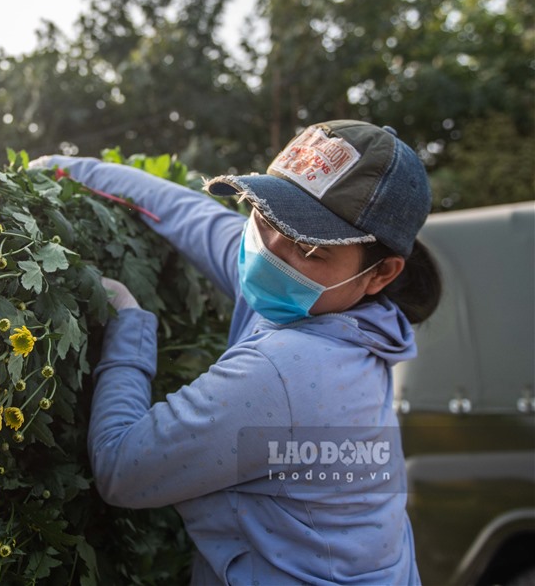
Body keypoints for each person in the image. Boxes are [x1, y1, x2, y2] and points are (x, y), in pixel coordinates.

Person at [30, 120, 441, 585]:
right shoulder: (339, 307)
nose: (269, 251)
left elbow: (122, 468)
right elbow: (184, 212)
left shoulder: (289, 370)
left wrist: (129, 323)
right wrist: (66, 169)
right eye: (265, 215)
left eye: (310, 247)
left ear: (381, 272)